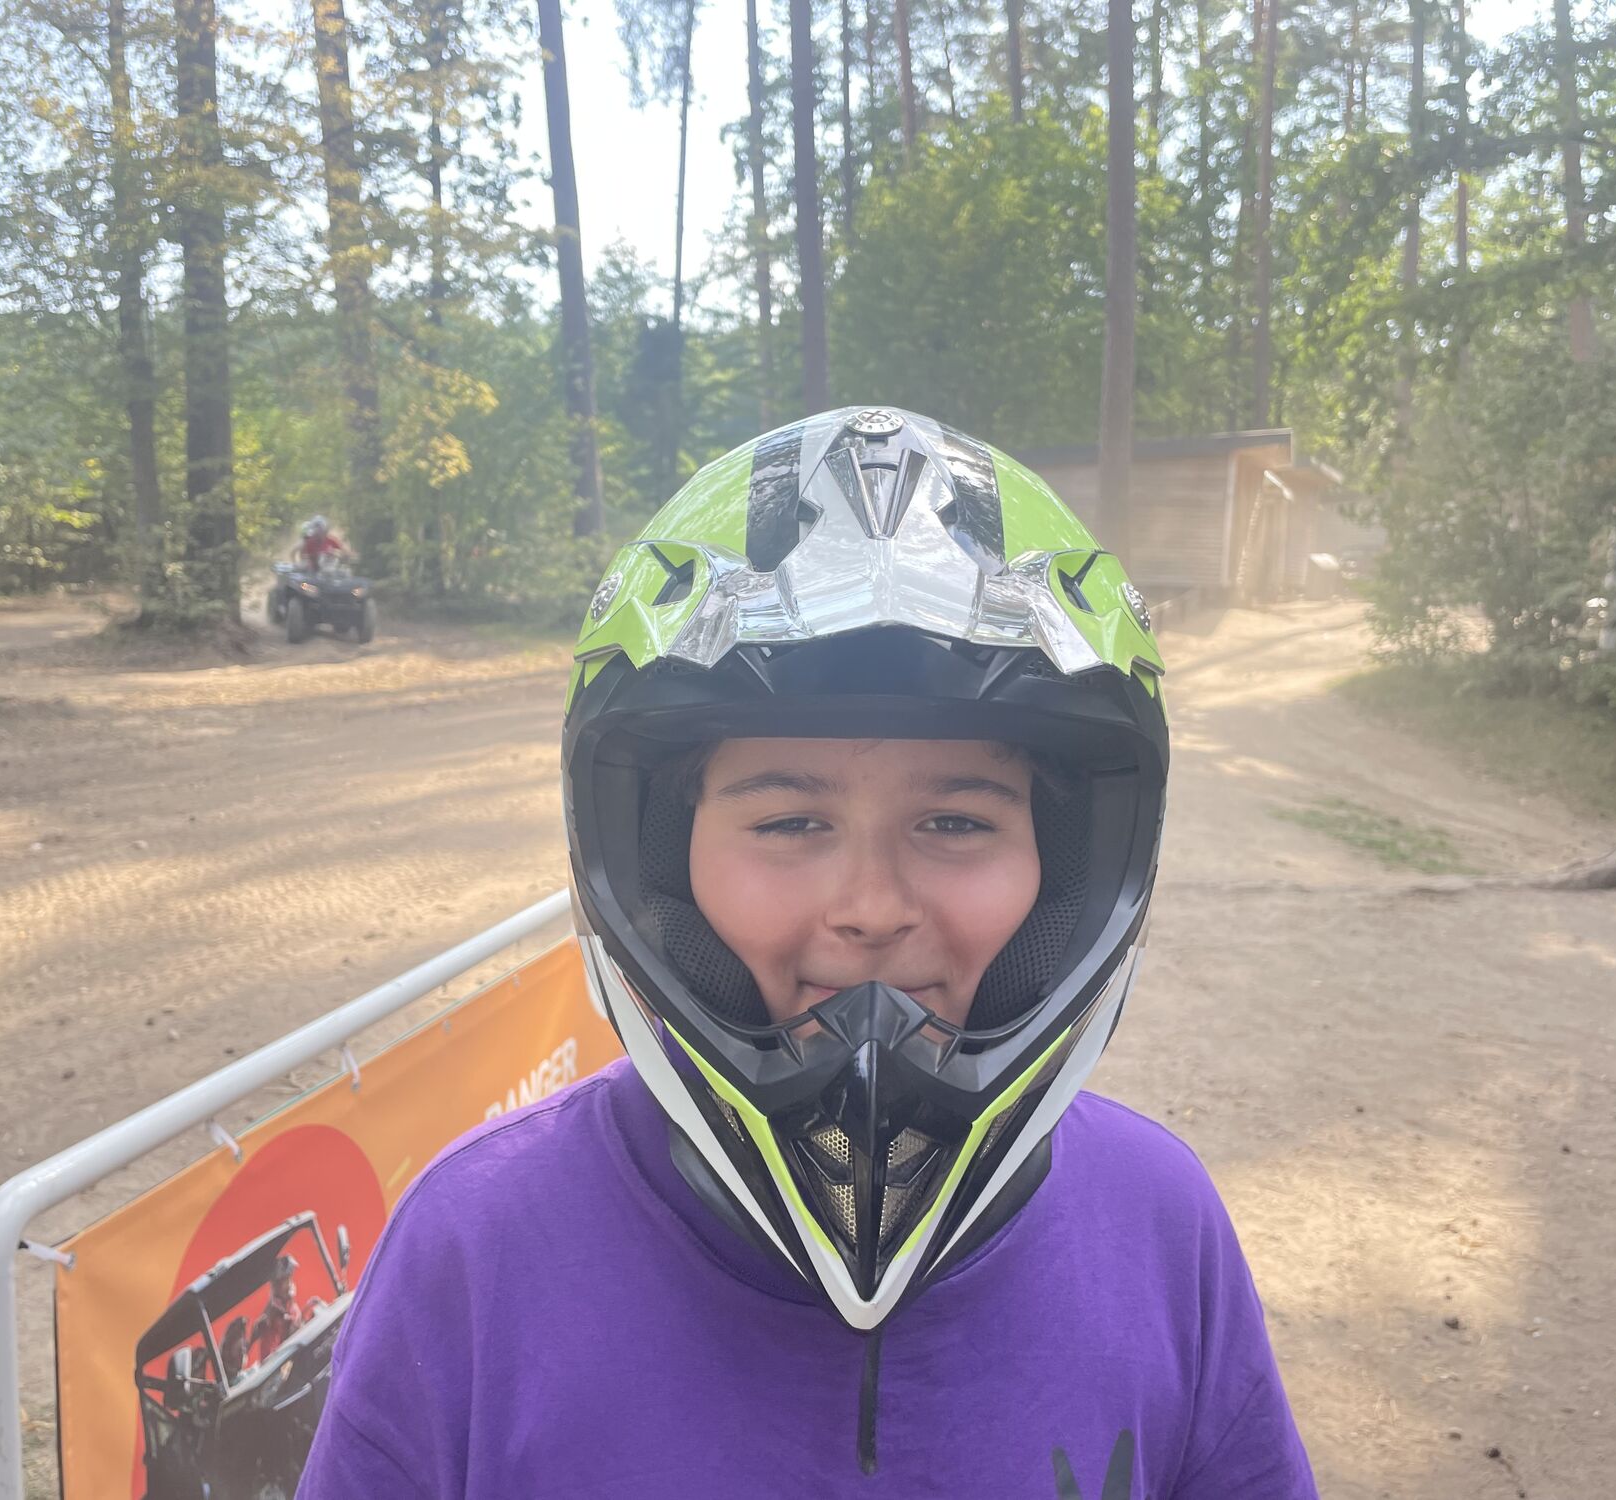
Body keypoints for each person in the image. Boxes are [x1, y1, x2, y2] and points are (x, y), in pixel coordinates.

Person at [298, 408, 1317, 1497]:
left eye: (957, 821)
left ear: (1066, 867)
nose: (871, 908)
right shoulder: (474, 1252)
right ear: (656, 860)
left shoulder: (1158, 1225)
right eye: (788, 822)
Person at [248, 1254, 305, 1364]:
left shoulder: (291, 1307)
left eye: (290, 1277)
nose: (289, 1283)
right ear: (276, 1284)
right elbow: (269, 1358)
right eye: (286, 1279)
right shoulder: (272, 1316)